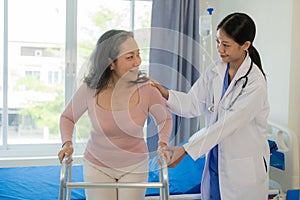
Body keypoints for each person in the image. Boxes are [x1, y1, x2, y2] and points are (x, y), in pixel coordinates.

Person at [152, 12, 270, 200]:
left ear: (245, 45)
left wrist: (186, 149)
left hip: (242, 172)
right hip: (216, 162)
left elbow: (227, 125)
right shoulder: (216, 70)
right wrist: (163, 92)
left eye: (226, 45)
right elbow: (192, 103)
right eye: (217, 42)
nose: (219, 49)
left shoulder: (255, 83)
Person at [57, 29, 172, 200]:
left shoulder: (147, 88)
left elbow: (165, 119)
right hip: (97, 166)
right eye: (129, 57)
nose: (137, 62)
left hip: (135, 166)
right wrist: (67, 143)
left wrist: (162, 143)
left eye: (138, 55)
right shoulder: (90, 89)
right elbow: (67, 117)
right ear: (110, 63)